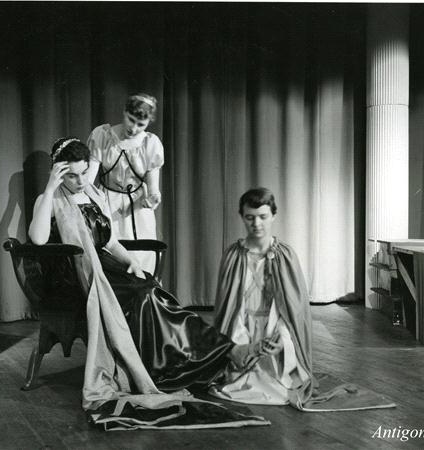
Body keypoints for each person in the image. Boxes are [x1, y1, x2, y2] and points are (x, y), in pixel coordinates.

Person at [28, 138, 268, 430]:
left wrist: (130, 261)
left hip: (105, 266)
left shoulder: (92, 194)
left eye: (82, 173)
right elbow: (38, 239)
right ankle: (190, 363)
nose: (79, 181)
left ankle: (205, 357)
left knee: (153, 291)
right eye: (70, 175)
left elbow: (109, 240)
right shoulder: (49, 200)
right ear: (58, 172)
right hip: (74, 278)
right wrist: (51, 187)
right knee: (142, 297)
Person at [210, 188, 315, 407]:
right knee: (237, 382)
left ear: (273, 216)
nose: (256, 224)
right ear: (242, 217)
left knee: (279, 387)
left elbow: (294, 310)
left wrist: (282, 339)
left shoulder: (285, 254)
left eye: (263, 217)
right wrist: (243, 346)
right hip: (242, 331)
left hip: (275, 332)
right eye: (250, 217)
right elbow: (227, 309)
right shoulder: (233, 255)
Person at [86, 93, 164, 273]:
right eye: (131, 120)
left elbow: (153, 189)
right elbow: (89, 180)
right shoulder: (102, 136)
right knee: (110, 255)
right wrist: (97, 205)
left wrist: (152, 198)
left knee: (142, 260)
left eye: (141, 124)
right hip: (106, 202)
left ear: (148, 123)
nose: (134, 128)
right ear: (124, 112)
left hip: (136, 208)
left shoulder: (150, 144)